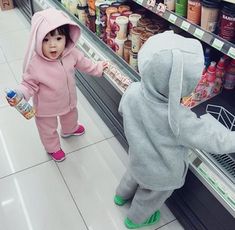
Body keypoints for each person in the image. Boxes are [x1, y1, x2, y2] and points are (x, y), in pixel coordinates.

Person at [114, 31, 235, 229]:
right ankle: (135, 219)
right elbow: (215, 140)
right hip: (160, 173)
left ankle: (120, 196)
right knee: (150, 196)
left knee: (132, 176)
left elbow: (122, 110)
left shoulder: (133, 91)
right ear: (181, 83)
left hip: (137, 157)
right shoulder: (177, 117)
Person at [6, 8, 108, 162]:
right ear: (37, 40)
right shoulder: (36, 64)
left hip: (68, 100)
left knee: (71, 115)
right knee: (48, 129)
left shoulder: (71, 54)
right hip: (46, 109)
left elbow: (85, 64)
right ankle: (52, 148)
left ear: (67, 38)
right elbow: (28, 84)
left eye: (58, 38)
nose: (53, 46)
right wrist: (19, 93)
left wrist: (98, 68)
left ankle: (69, 129)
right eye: (46, 40)